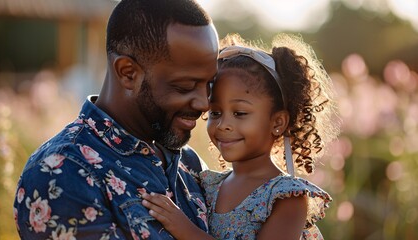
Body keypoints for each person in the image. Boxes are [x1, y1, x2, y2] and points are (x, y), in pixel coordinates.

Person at [13, 0, 219, 239]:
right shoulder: (62, 172)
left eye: (210, 84)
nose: (204, 103)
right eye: (185, 86)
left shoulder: (189, 162)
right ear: (128, 73)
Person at [141, 33, 340, 239]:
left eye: (240, 113)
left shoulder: (287, 197)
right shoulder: (208, 185)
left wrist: (185, 229)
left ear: (277, 122)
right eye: (215, 113)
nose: (224, 124)